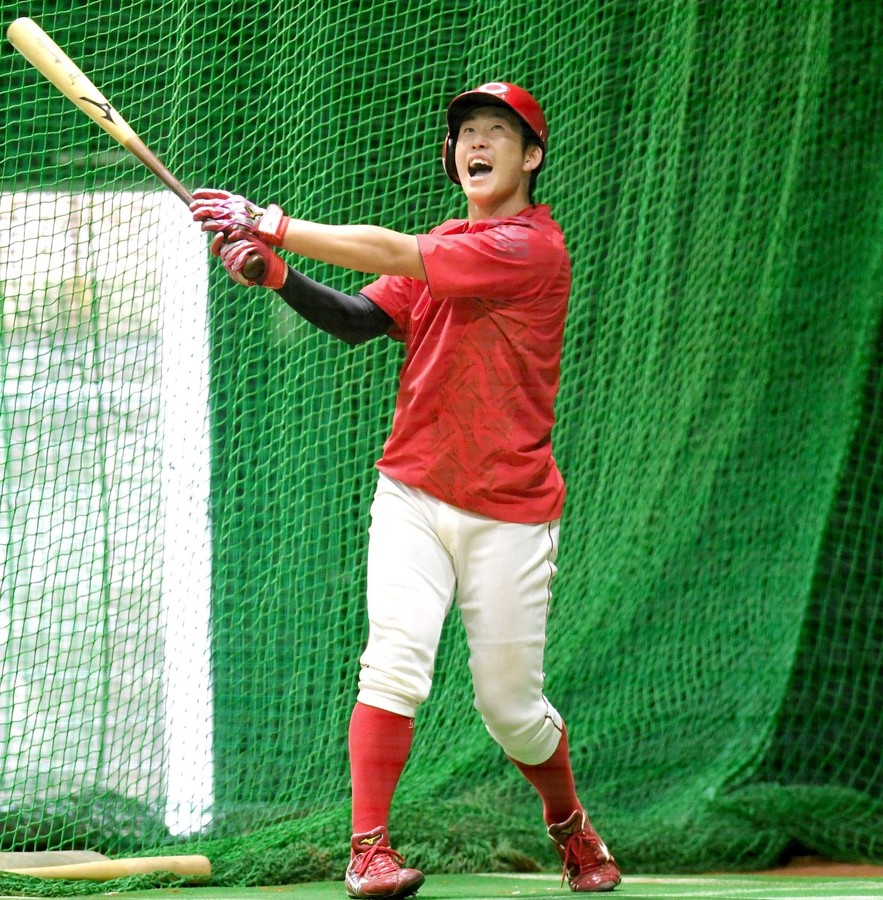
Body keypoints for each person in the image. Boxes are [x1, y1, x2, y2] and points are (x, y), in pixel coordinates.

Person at [190, 81, 621, 897]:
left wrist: (269, 223)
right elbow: (359, 317)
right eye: (466, 132)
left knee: (510, 711)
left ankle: (567, 822)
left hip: (510, 509)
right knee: (390, 665)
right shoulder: (444, 245)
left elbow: (394, 254)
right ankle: (368, 850)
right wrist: (279, 276)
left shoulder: (530, 247)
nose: (476, 143)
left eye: (497, 132)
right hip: (413, 490)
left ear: (531, 156)